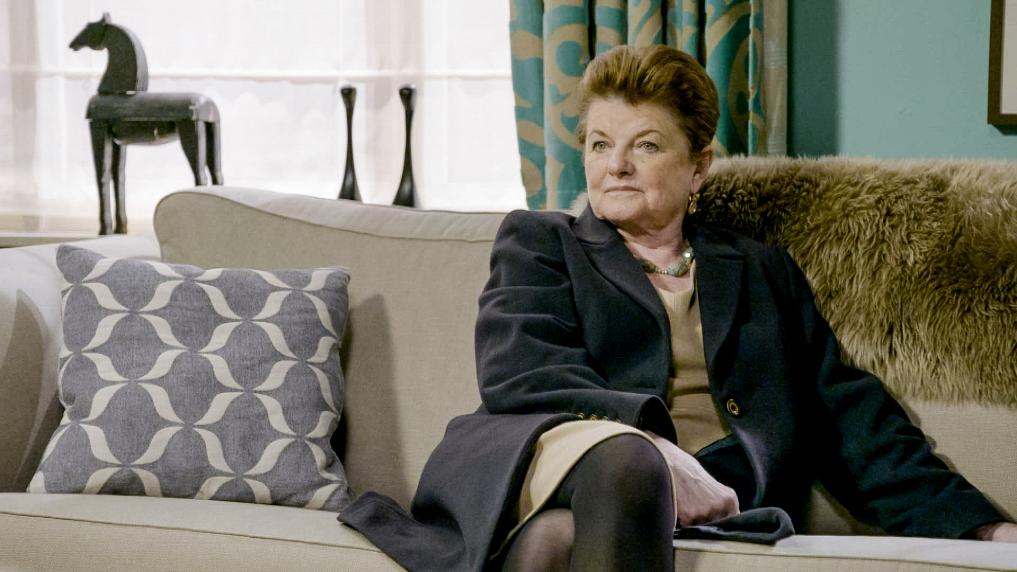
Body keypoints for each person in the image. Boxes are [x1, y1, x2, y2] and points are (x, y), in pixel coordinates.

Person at [339, 45, 1016, 571]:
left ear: (698, 167)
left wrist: (980, 525)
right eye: (599, 144)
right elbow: (523, 373)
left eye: (645, 144)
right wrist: (654, 448)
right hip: (549, 460)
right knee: (623, 465)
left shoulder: (760, 270)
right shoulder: (543, 242)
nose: (615, 165)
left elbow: (849, 415)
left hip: (705, 501)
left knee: (557, 541)